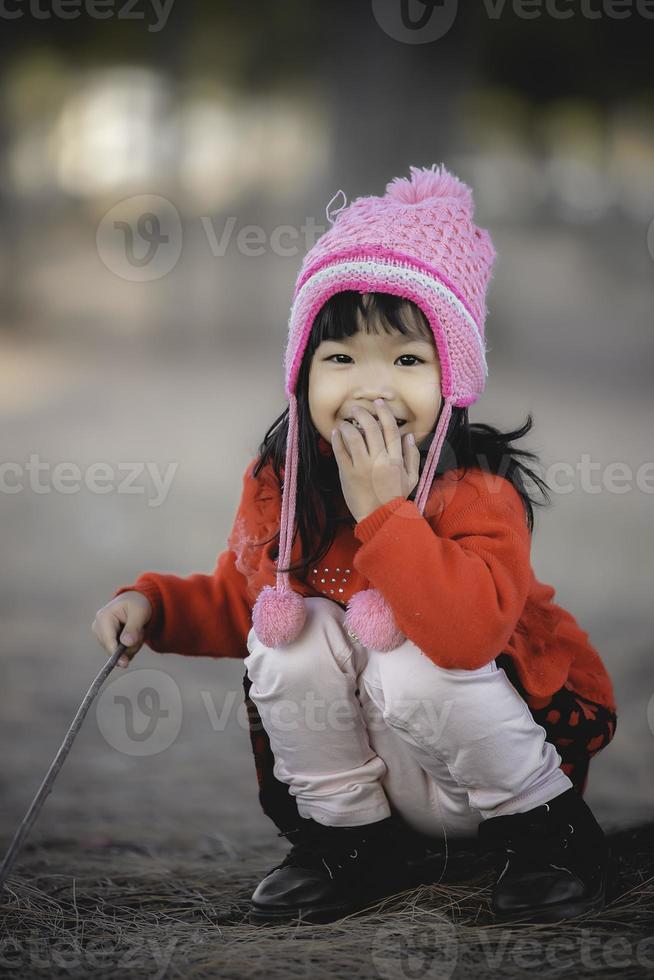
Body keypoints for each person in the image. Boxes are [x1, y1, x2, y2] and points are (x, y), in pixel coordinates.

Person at [92, 164, 618, 927]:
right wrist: (154, 605)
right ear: (302, 373)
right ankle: (351, 847)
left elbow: (467, 639)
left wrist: (386, 516)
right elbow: (243, 601)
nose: (372, 388)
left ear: (453, 379)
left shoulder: (476, 493)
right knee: (289, 633)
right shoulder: (285, 485)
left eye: (408, 361)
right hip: (382, 787)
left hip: (491, 771)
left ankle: (552, 840)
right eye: (340, 358)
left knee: (410, 650)